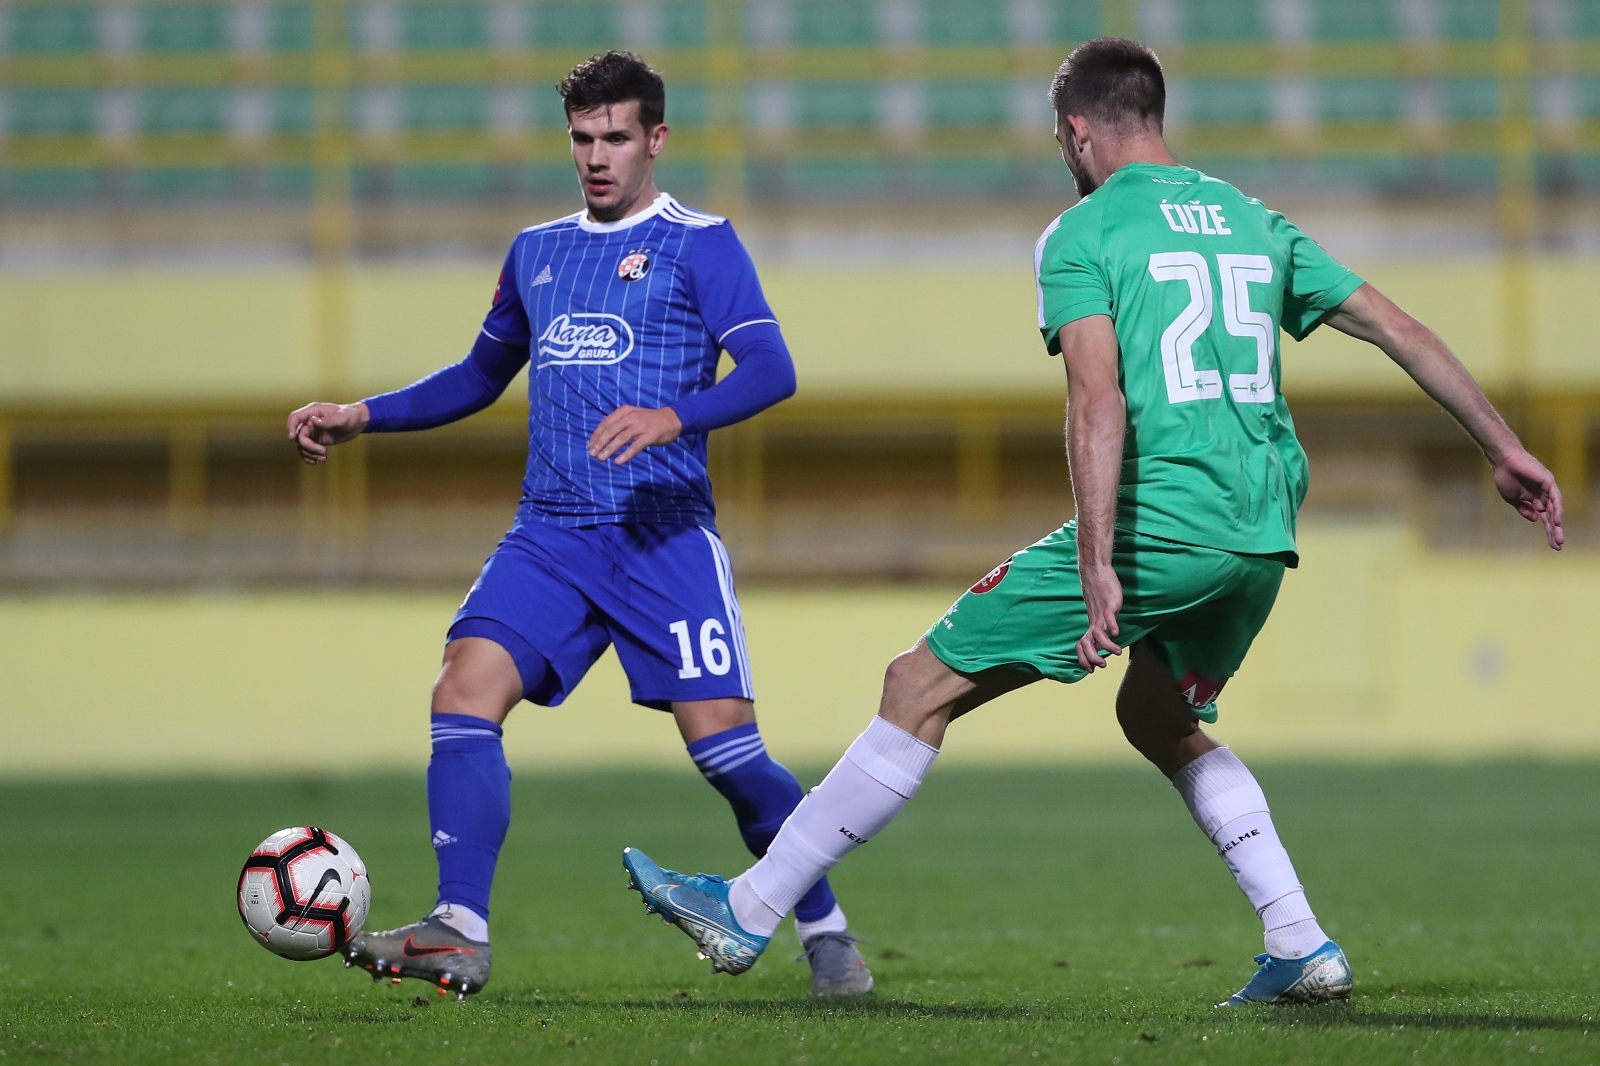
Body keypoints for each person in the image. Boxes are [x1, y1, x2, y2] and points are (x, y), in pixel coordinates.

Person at [621, 36, 1564, 1007]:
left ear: (1075, 132)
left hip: (1166, 522)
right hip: (1261, 531)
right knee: (1156, 714)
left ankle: (748, 906)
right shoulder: (1251, 219)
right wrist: (1503, 447)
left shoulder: (1082, 233)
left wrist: (1097, 556)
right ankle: (1300, 940)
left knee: (917, 684)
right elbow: (1401, 326)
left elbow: (1096, 398)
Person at [287, 51, 872, 999]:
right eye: (582, 139)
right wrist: (365, 414)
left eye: (616, 138)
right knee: (462, 689)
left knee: (728, 754)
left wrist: (674, 416)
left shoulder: (701, 243)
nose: (597, 157)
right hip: (552, 534)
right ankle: (460, 928)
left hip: (663, 536)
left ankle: (825, 929)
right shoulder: (536, 251)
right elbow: (479, 376)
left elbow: (773, 370)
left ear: (656, 139)